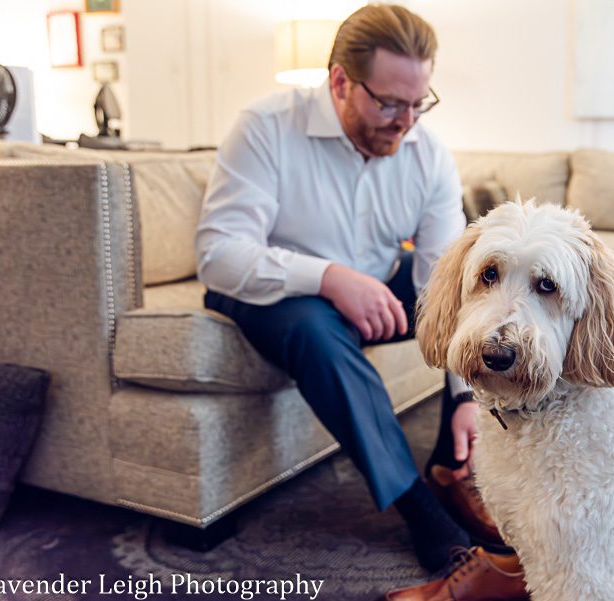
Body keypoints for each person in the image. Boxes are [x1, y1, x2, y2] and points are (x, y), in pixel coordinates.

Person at [196, 6, 527, 595]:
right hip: (268, 292)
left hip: (370, 283)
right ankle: (423, 514)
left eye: (418, 103)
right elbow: (219, 253)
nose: (405, 123)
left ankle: (451, 466)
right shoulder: (265, 126)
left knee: (476, 283)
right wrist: (327, 277)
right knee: (316, 327)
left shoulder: (427, 154)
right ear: (340, 81)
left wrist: (464, 396)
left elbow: (445, 287)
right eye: (388, 104)